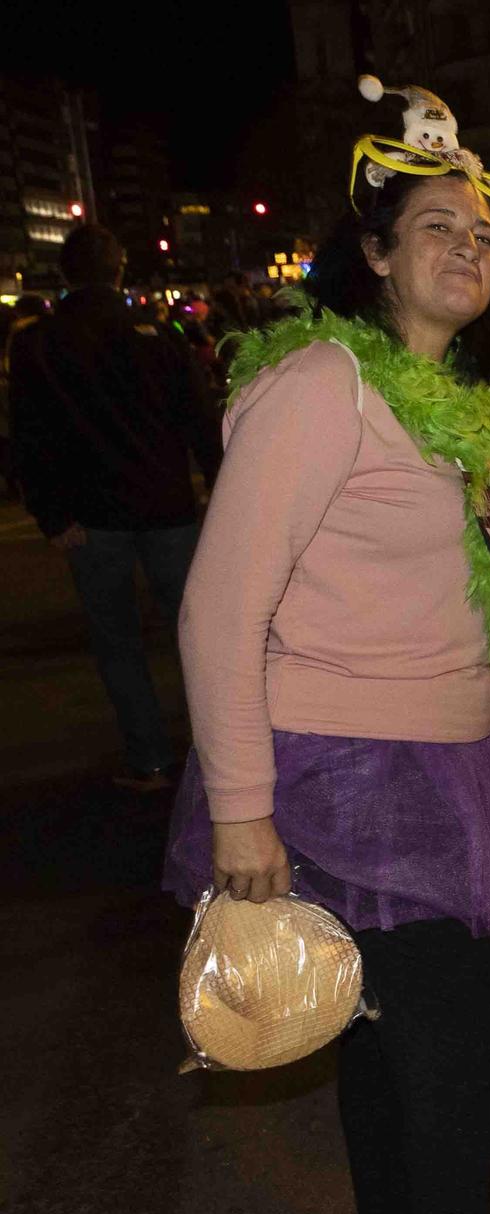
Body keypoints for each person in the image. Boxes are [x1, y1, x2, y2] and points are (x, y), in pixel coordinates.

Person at [162, 76, 490, 1214]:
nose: (468, 248)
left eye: (484, 233)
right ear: (376, 253)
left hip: (446, 755)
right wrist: (242, 815)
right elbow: (216, 611)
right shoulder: (325, 384)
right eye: (436, 227)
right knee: (467, 1031)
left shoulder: (460, 413)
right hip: (340, 767)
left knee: (386, 1031)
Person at [10, 224, 222, 790]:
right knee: (197, 633)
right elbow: (199, 418)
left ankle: (150, 756)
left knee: (118, 642)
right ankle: (220, 750)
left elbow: (30, 436)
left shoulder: (40, 340)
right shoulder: (157, 332)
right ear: (120, 268)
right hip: (167, 504)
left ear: (64, 274)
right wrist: (219, 488)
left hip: (90, 516)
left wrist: (52, 516)